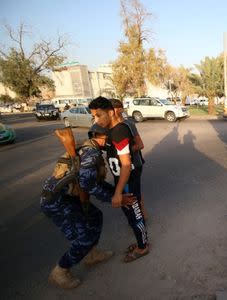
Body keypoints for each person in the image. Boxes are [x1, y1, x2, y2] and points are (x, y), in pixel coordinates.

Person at [41, 124, 136, 289]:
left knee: (95, 216)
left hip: (69, 198)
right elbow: (87, 183)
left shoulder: (89, 148)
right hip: (56, 202)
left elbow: (94, 181)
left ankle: (90, 254)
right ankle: (61, 271)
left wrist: (116, 193)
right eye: (110, 139)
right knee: (83, 238)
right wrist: (114, 198)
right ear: (102, 138)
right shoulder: (91, 154)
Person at [88, 97, 149, 263]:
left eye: (99, 115)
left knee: (135, 213)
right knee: (130, 213)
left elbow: (127, 165)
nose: (96, 120)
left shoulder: (120, 131)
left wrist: (117, 193)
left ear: (110, 112)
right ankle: (140, 241)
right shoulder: (110, 131)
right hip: (122, 180)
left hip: (128, 180)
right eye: (94, 117)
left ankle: (143, 247)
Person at [109, 98, 148, 221]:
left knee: (133, 195)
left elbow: (140, 145)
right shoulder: (111, 127)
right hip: (123, 167)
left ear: (118, 110)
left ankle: (140, 219)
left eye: (110, 109)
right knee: (133, 193)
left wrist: (123, 151)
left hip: (134, 165)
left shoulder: (128, 124)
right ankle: (140, 217)